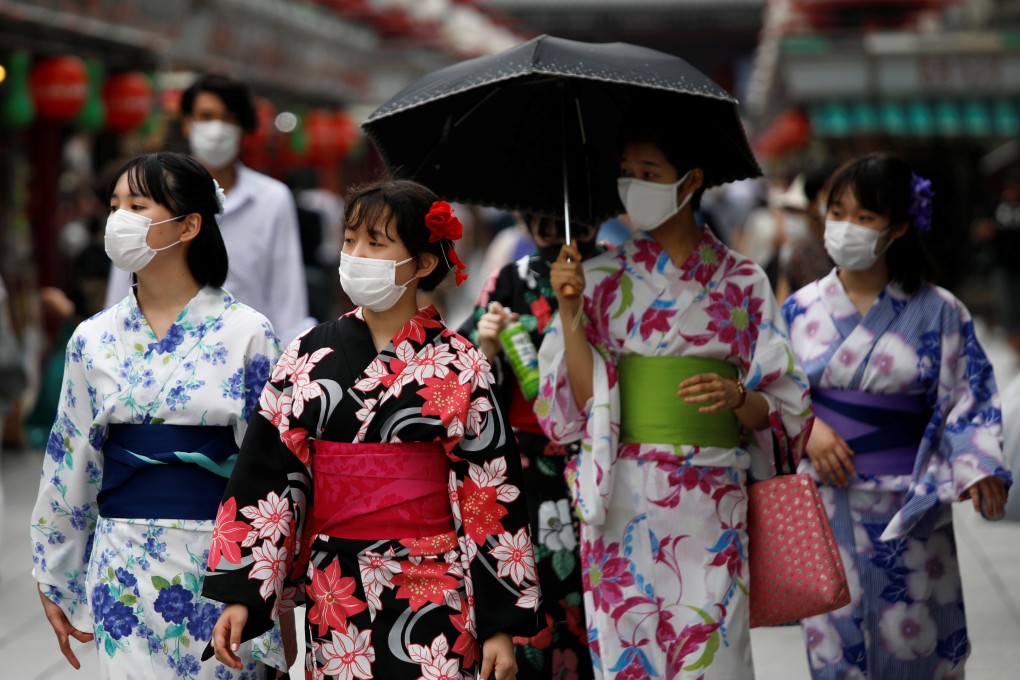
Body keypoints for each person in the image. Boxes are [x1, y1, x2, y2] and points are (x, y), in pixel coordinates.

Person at [201, 179, 540, 680]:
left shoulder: (460, 363)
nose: (356, 255)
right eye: (350, 241)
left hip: (436, 586)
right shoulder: (308, 354)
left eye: (376, 244)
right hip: (336, 588)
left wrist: (498, 625)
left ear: (423, 263)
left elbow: (489, 497)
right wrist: (243, 595)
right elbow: (267, 478)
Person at [535, 120, 813, 678]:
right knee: (630, 653)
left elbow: (785, 408)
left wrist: (739, 396)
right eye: (626, 175)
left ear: (691, 182)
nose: (633, 186)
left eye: (649, 174)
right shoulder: (598, 277)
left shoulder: (743, 281)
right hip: (624, 499)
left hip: (714, 500)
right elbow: (581, 409)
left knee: (717, 657)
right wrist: (569, 314)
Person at [30, 152, 288, 678]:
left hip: (221, 568)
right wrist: (54, 572)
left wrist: (261, 585)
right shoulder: (93, 338)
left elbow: (271, 472)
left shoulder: (248, 332)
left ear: (190, 224)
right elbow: (70, 459)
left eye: (137, 205)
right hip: (121, 565)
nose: (118, 217)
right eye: (114, 205)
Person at [781, 152, 1011, 678]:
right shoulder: (799, 310)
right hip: (826, 504)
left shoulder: (939, 311)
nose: (846, 227)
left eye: (865, 217)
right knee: (836, 650)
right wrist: (808, 427)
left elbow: (966, 399)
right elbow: (771, 394)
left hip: (911, 505)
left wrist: (977, 468)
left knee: (919, 647)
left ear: (900, 227)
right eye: (837, 212)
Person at [458, 213, 603, 679]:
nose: (547, 221)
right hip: (522, 463)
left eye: (557, 208)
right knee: (527, 588)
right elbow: (460, 362)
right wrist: (487, 347)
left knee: (594, 591)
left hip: (597, 458)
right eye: (533, 209)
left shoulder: (616, 278)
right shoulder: (508, 279)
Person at [104, 73, 314, 344]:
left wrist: (290, 367)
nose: (217, 128)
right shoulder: (154, 194)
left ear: (244, 128)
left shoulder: (272, 198)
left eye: (228, 118)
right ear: (187, 124)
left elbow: (288, 293)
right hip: (158, 350)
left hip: (248, 356)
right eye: (206, 116)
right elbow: (125, 273)